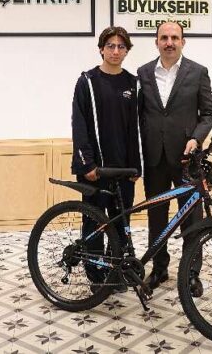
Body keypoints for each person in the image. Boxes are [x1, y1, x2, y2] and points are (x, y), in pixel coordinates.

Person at [137, 21, 212, 297]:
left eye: (174, 37)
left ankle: (191, 273)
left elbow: (208, 114)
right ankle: (159, 269)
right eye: (164, 38)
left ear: (183, 41)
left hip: (186, 159)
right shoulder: (143, 73)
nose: (169, 42)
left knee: (191, 219)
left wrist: (196, 138)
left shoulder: (198, 72)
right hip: (154, 158)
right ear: (156, 42)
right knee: (156, 218)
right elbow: (140, 115)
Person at [71, 26, 142, 290]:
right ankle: (96, 275)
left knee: (121, 222)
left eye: (121, 46)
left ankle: (116, 272)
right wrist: (87, 164)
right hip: (95, 169)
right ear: (101, 49)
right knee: (94, 221)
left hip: (123, 169)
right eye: (110, 46)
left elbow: (137, 129)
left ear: (127, 51)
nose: (115, 51)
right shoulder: (87, 82)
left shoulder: (133, 84)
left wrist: (136, 167)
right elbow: (79, 125)